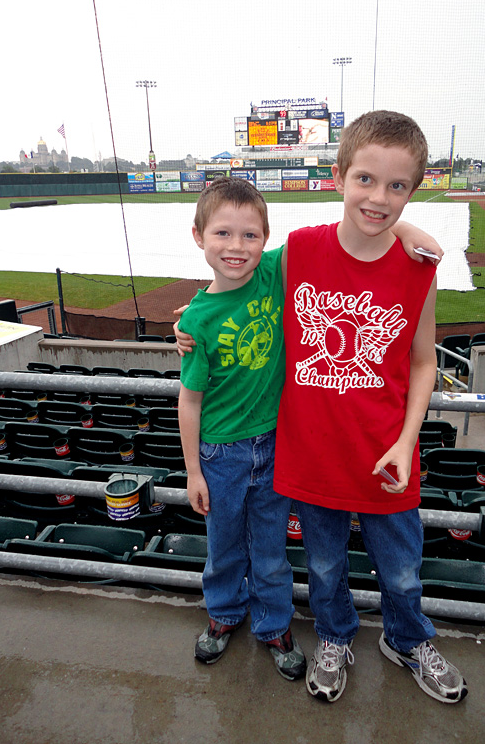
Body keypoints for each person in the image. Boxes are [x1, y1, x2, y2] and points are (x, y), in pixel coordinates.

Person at [273, 110, 467, 704]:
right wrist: (194, 322)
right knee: (325, 569)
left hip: (387, 452)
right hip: (313, 452)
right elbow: (238, 288)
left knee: (403, 569)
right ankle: (335, 637)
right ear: (337, 176)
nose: (378, 197)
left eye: (396, 185)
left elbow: (422, 361)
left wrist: (408, 440)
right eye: (365, 179)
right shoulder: (299, 250)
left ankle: (407, 639)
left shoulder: (417, 268)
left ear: (415, 187)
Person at [177, 177, 306, 680]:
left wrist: (402, 226)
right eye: (223, 234)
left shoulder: (274, 272)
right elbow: (190, 401)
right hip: (220, 455)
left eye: (251, 236)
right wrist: (193, 471)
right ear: (199, 236)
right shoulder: (197, 321)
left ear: (267, 240)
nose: (237, 247)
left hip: (275, 446)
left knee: (271, 549)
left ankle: (274, 624)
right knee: (224, 545)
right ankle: (225, 614)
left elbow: (344, 230)